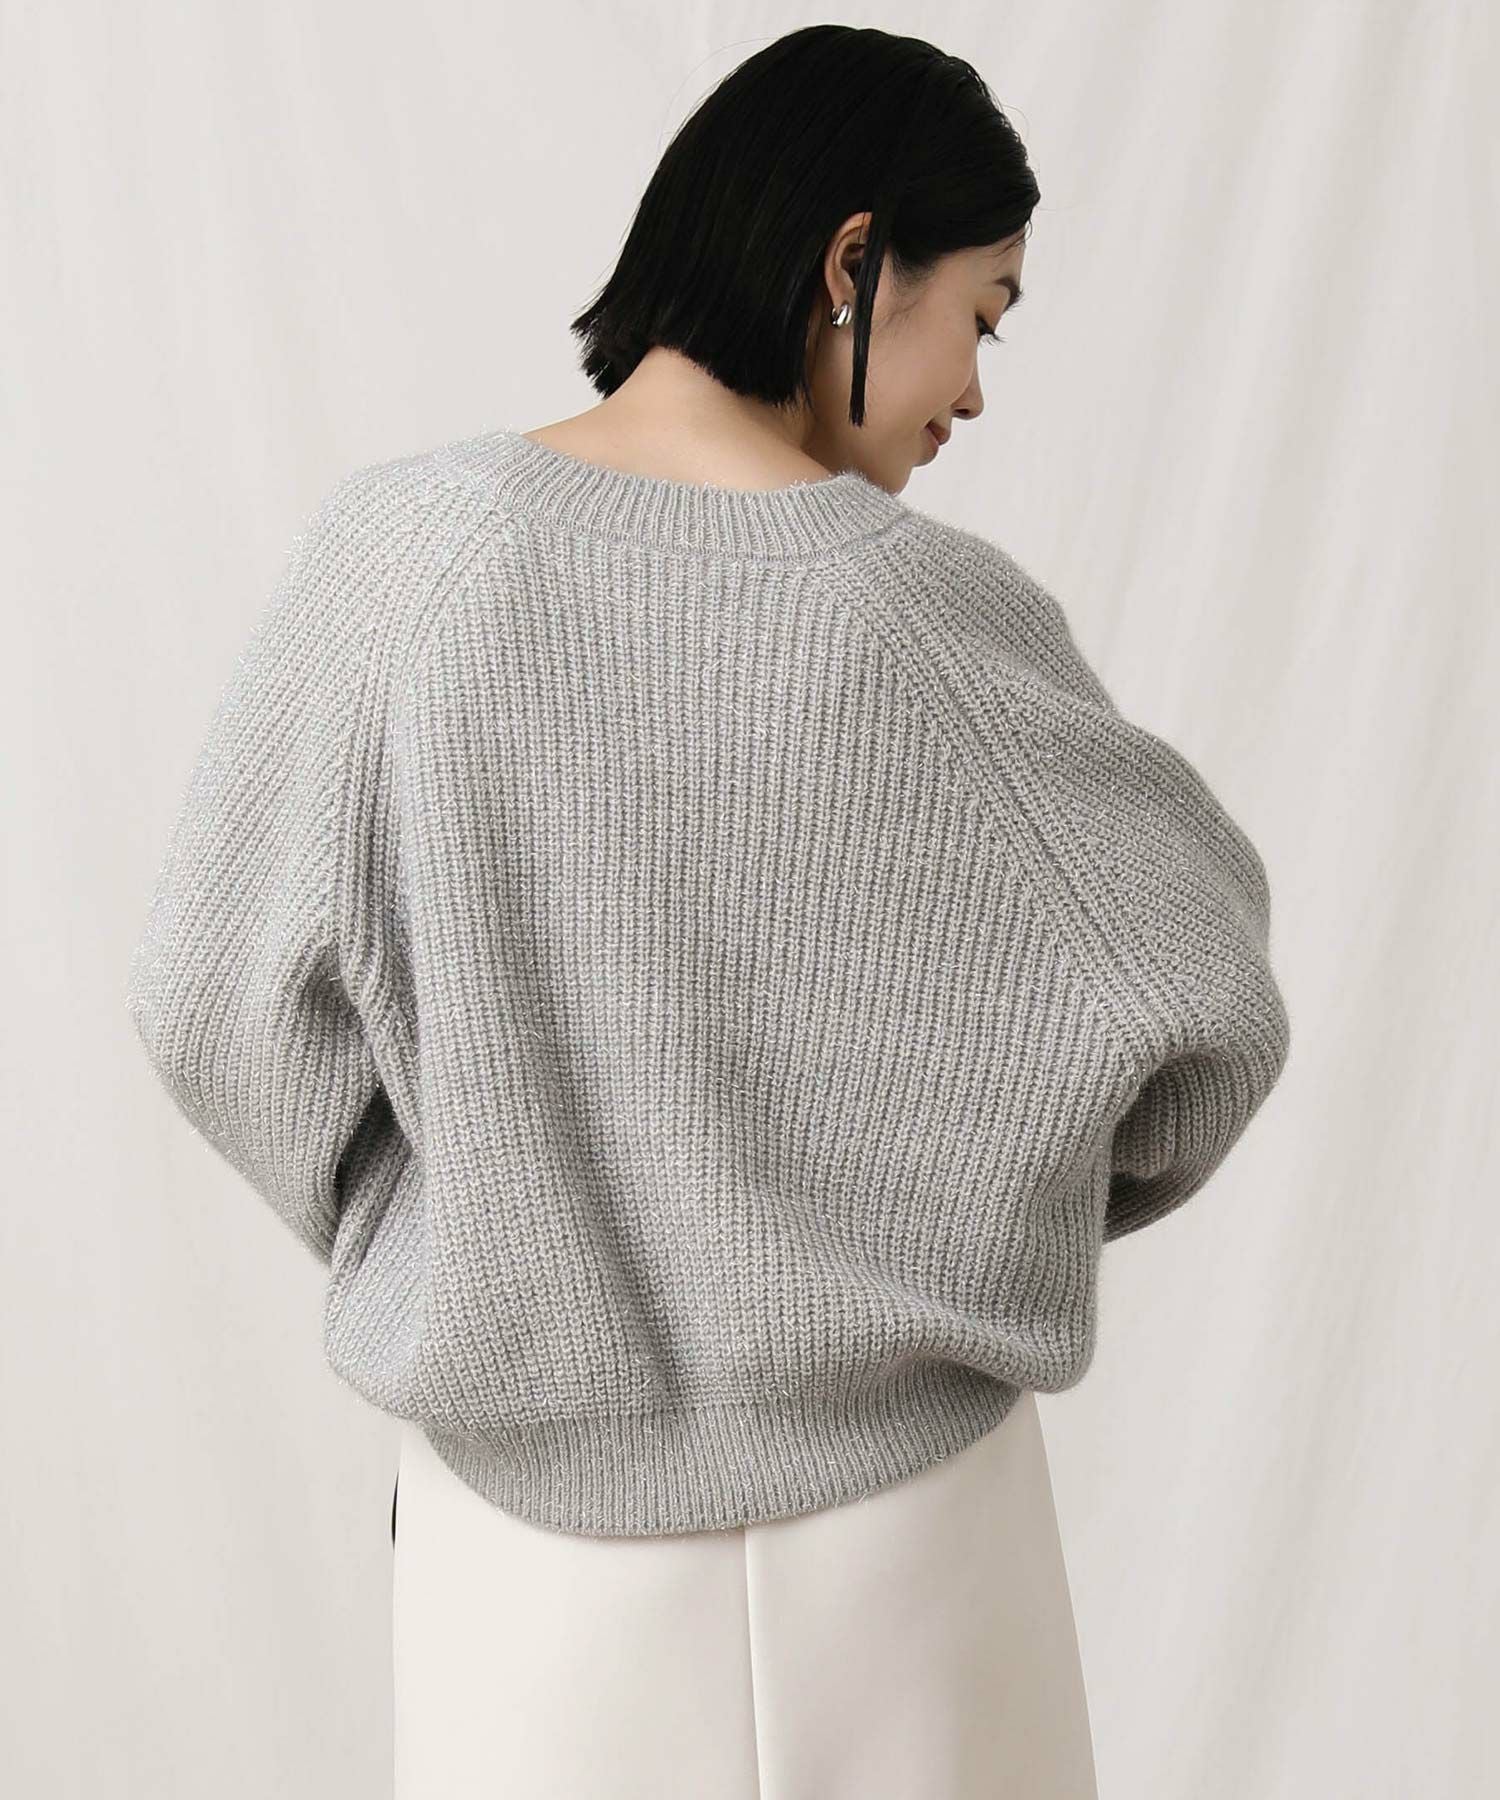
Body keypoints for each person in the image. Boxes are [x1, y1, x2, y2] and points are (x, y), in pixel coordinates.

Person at [127, 24, 1290, 1799]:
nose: (975, 393)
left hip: (529, 1580)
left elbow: (210, 999)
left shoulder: (407, 566)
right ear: (852, 264)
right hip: (916, 1553)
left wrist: (460, 1224)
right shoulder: (933, 619)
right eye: (982, 317)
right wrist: (947, 1220)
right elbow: (1206, 1016)